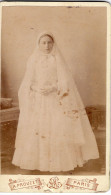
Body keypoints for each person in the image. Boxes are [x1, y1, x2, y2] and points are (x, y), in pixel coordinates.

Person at [12, 32, 99, 172]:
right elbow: (27, 82)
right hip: (38, 100)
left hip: (55, 99)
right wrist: (36, 88)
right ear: (38, 44)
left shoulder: (57, 59)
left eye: (49, 42)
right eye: (43, 43)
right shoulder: (33, 60)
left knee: (58, 128)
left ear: (53, 44)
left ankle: (60, 163)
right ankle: (39, 163)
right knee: (38, 129)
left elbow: (66, 82)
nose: (47, 46)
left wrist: (53, 88)